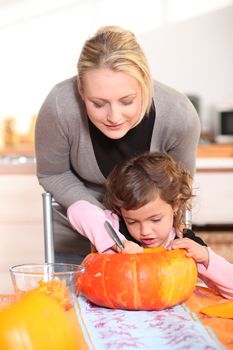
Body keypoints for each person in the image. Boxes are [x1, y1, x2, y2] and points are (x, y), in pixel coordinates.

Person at [35, 25, 200, 264]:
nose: (114, 116)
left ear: (145, 84)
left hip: (151, 247)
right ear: (81, 91)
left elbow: (179, 191)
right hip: (76, 240)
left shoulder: (179, 115)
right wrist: (102, 222)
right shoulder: (60, 107)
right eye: (98, 104)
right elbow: (53, 173)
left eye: (127, 101)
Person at [68, 152, 233, 299]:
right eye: (132, 221)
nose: (145, 232)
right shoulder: (116, 226)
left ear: (176, 204)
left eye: (155, 220)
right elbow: (77, 210)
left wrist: (206, 257)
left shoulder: (186, 245)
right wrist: (119, 243)